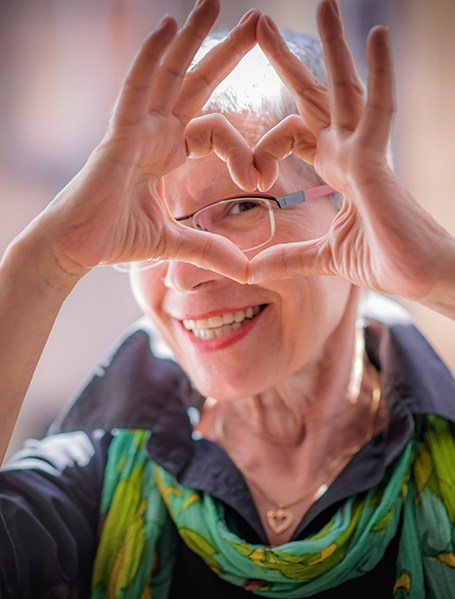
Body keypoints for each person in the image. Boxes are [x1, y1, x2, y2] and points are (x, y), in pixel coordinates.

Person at [0, 0, 454, 596]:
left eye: (242, 206)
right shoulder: (90, 483)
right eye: (151, 228)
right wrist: (47, 261)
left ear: (353, 206)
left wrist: (441, 276)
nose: (183, 278)